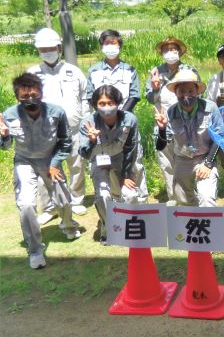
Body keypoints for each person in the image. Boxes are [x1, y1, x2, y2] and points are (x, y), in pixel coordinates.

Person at [0, 73, 80, 269]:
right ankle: (35, 250)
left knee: (62, 197)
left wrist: (54, 163)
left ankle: (68, 225)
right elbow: (6, 147)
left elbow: (66, 142)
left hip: (50, 159)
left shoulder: (56, 112)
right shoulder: (9, 115)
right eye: (24, 97)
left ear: (41, 94)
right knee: (26, 205)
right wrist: (4, 136)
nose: (30, 100)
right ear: (17, 97)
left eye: (34, 95)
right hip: (24, 161)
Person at [27, 27, 88, 222]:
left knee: (76, 166)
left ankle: (76, 200)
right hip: (45, 132)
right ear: (38, 51)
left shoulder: (74, 71)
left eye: (51, 47)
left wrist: (85, 121)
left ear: (59, 48)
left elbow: (84, 97)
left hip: (74, 128)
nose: (47, 52)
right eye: (43, 49)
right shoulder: (32, 74)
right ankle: (49, 207)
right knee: (46, 170)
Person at [86, 29, 148, 203]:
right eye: (106, 43)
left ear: (119, 45)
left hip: (127, 124)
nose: (110, 46)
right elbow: (90, 97)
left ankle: (141, 200)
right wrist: (104, 114)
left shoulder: (130, 70)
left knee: (135, 161)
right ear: (101, 46)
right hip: (102, 126)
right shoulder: (93, 70)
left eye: (113, 43)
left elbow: (135, 95)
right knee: (107, 162)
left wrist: (120, 114)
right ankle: (115, 201)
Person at [79, 85, 139, 245]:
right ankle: (108, 228)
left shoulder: (129, 119)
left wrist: (126, 175)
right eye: (102, 104)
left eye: (110, 103)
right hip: (98, 160)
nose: (107, 107)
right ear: (95, 105)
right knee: (103, 195)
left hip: (121, 160)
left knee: (130, 194)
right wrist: (91, 141)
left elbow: (131, 148)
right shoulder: (88, 122)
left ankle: (129, 223)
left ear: (118, 103)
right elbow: (83, 153)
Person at [155, 69, 221, 207]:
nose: (186, 95)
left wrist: (208, 164)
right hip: (182, 160)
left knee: (206, 199)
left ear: (197, 92)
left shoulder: (210, 108)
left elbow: (219, 138)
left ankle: (210, 226)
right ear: (175, 93)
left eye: (190, 91)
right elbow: (160, 146)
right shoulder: (170, 112)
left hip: (205, 158)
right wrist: (162, 129)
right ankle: (193, 224)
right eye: (182, 91)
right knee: (183, 201)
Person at [146, 37, 199, 204]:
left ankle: (192, 194)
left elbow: (198, 96)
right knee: (167, 163)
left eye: (173, 49)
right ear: (162, 53)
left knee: (189, 160)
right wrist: (155, 88)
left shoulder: (190, 70)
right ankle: (173, 196)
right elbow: (150, 98)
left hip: (186, 125)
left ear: (179, 51)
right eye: (166, 49)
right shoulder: (156, 72)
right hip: (163, 125)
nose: (170, 52)